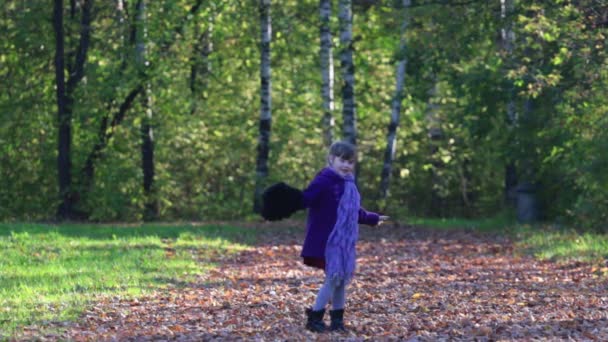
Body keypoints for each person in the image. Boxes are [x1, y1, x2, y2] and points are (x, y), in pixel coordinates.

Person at [300, 141, 389, 333]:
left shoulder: (348, 184)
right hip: (326, 240)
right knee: (333, 278)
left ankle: (337, 321)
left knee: (341, 280)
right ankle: (314, 317)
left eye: (350, 162)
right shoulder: (324, 180)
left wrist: (373, 218)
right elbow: (306, 198)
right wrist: (289, 200)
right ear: (331, 159)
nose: (346, 165)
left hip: (342, 242)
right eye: (342, 160)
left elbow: (353, 212)